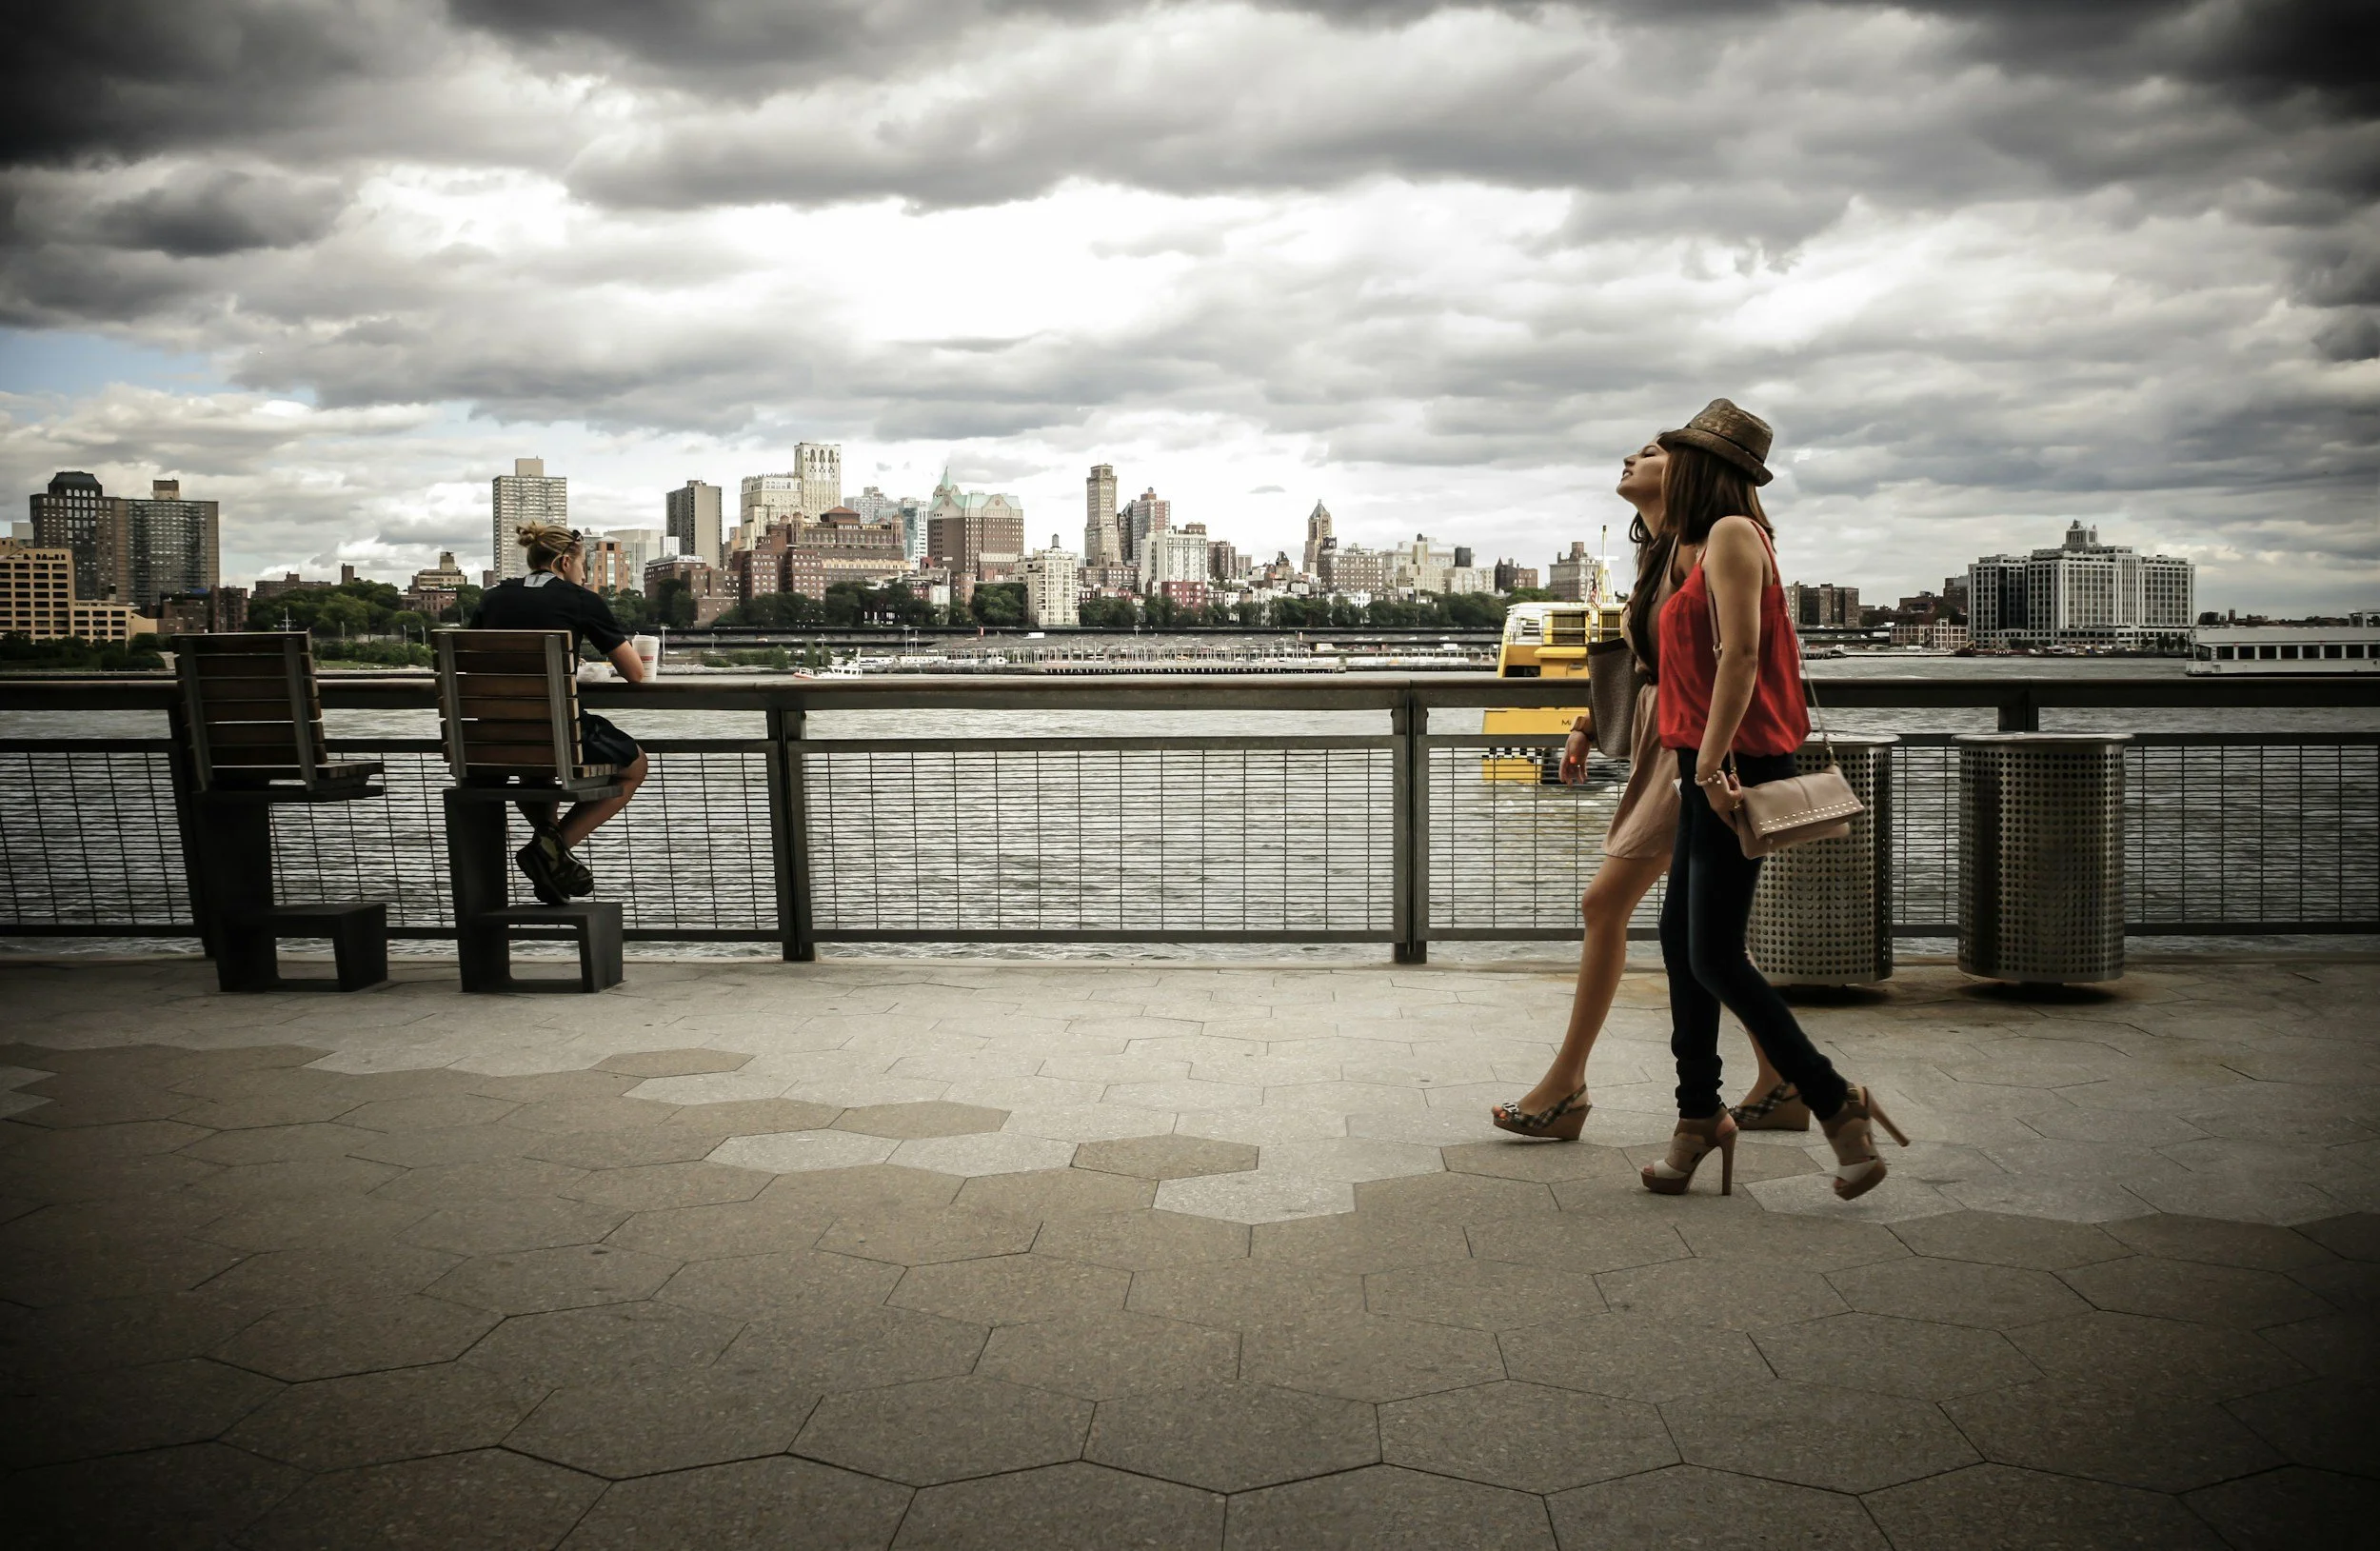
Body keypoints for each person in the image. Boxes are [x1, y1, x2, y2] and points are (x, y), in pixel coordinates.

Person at [1640, 400, 1906, 1200]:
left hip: (1738, 761)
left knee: (1713, 953)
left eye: (1679, 453)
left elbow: (1743, 654)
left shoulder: (1731, 534)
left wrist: (1716, 767)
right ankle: (1697, 1117)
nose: (1670, 462)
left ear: (1703, 468)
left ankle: (1837, 1103)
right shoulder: (1690, 541)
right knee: (1681, 940)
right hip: (1703, 759)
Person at [1488, 437, 1681, 1140]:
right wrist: (1588, 721)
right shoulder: (1658, 554)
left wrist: (1710, 757)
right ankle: (1786, 1080)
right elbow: (1646, 657)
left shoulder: (1697, 550)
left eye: (1651, 452)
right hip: (1666, 743)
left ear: (1684, 472)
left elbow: (1724, 658)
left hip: (1689, 752)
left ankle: (1567, 1084)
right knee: (1708, 931)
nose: (1629, 458)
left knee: (1610, 904)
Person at [469, 521, 648, 903]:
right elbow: (635, 673)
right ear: (565, 562)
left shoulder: (492, 598)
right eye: (583, 567)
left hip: (492, 740)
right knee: (637, 766)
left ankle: (551, 857)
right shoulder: (579, 600)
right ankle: (550, 849)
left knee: (535, 770)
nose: (583, 575)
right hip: (557, 732)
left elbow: (473, 665)